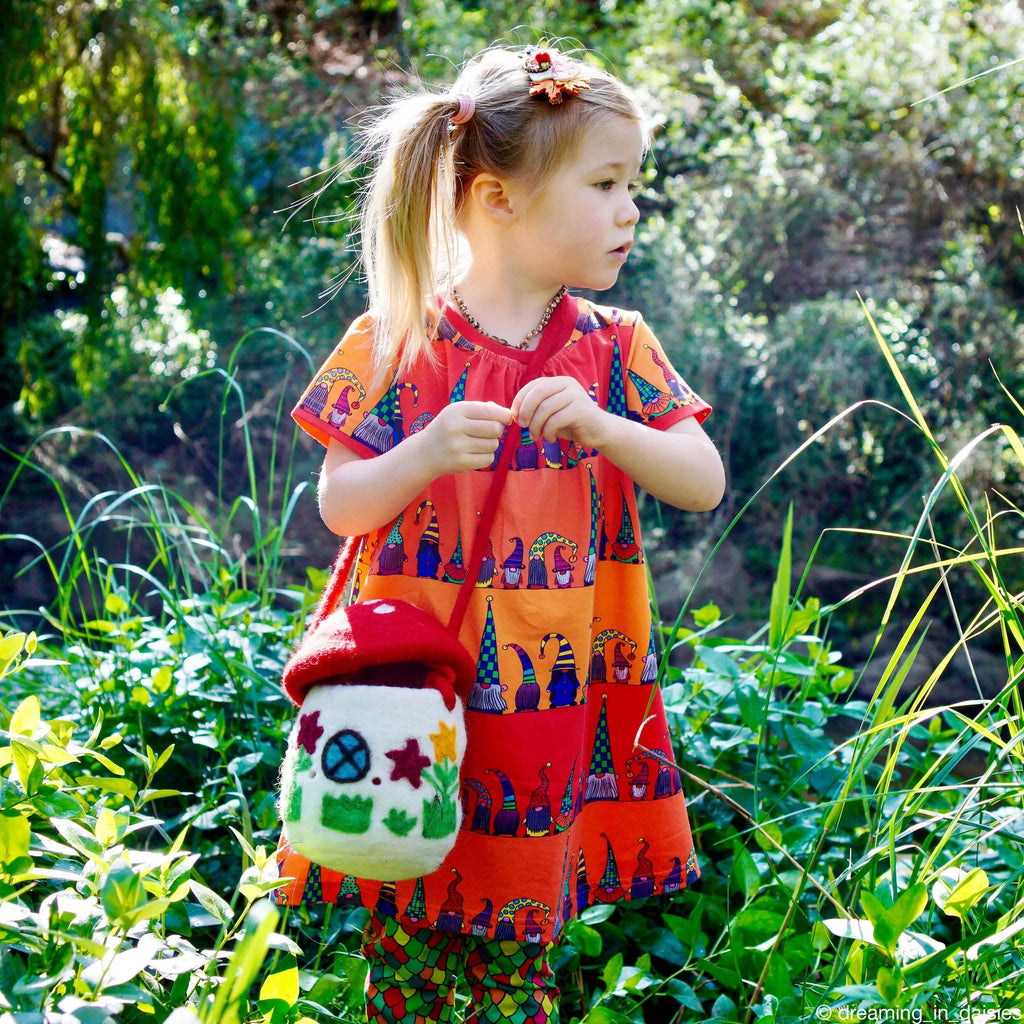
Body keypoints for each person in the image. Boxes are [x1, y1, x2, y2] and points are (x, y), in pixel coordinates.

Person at [276, 42, 725, 1024]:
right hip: (411, 705)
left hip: (544, 726)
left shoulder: (616, 348)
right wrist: (426, 451)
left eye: (632, 185)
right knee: (414, 948)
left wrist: (610, 428)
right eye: (605, 183)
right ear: (498, 200)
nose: (630, 208)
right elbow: (339, 503)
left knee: (519, 952)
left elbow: (701, 479)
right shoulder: (400, 339)